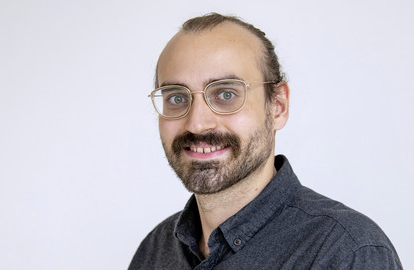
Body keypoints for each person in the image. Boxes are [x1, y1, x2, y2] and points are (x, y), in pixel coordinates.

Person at [128, 13, 402, 269]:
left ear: (278, 106)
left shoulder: (346, 252)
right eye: (176, 97)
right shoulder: (154, 251)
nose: (197, 123)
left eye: (226, 94)